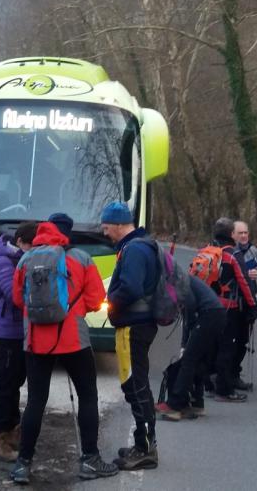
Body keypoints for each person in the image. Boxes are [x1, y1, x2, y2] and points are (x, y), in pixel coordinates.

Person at [9, 221, 118, 484]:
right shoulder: (81, 258)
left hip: (36, 341)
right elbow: (95, 299)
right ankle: (90, 459)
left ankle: (23, 463)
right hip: (73, 340)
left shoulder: (26, 259)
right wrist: (74, 309)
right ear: (65, 233)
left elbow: (18, 299)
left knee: (36, 401)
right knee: (88, 396)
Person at [102, 201, 161, 471]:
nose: (105, 233)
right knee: (136, 384)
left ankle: (146, 449)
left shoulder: (134, 250)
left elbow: (131, 288)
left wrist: (110, 302)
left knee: (135, 386)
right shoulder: (140, 245)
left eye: (106, 227)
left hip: (133, 326)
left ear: (117, 225)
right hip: (139, 325)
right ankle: (142, 443)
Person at [0, 222, 37, 462]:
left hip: (20, 332)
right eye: (31, 246)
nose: (33, 251)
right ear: (20, 242)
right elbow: (14, 294)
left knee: (14, 383)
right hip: (7, 332)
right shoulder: (3, 262)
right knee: (4, 386)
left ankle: (12, 430)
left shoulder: (17, 260)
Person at [156, 271, 225, 421]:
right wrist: (184, 344)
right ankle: (197, 403)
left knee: (189, 361)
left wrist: (187, 344)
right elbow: (188, 317)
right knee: (197, 360)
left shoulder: (178, 282)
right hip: (217, 314)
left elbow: (190, 310)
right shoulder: (181, 279)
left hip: (209, 315)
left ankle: (175, 406)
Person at [205, 218, 256, 402]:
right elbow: (244, 282)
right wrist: (252, 305)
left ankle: (208, 383)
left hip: (207, 307)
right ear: (231, 234)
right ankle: (224, 390)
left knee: (211, 346)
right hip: (228, 308)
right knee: (227, 349)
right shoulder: (232, 255)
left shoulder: (207, 251)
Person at [229, 220, 257, 391]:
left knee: (243, 339)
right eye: (240, 233)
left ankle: (235, 374)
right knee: (228, 340)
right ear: (232, 234)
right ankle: (222, 374)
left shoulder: (254, 252)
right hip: (232, 301)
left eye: (246, 232)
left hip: (249, 302)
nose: (244, 236)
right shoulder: (229, 252)